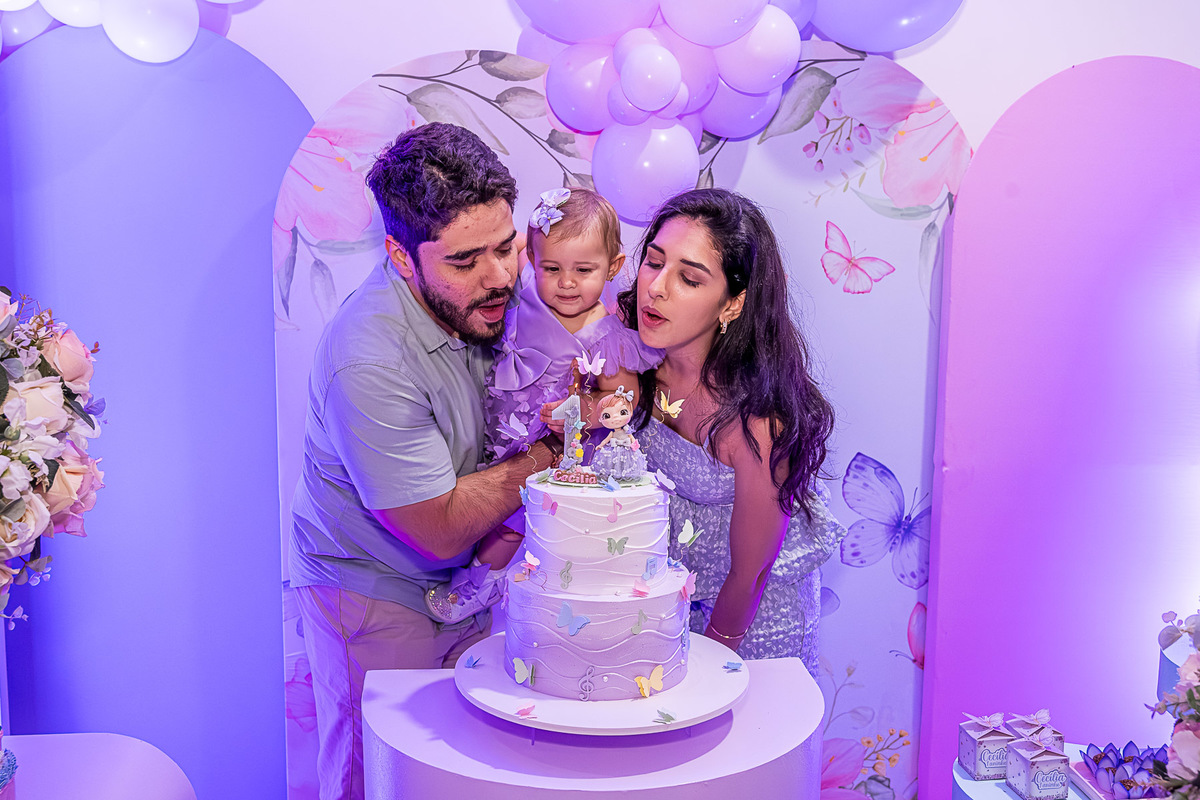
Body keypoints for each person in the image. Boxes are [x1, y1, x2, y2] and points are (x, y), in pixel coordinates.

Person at [288, 122, 560, 800]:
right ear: (401, 258)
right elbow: (436, 525)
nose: (500, 277)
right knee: (376, 780)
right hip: (373, 592)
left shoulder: (490, 297)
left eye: (507, 247)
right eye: (466, 261)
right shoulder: (368, 358)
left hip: (464, 581)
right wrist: (552, 454)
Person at [615, 188, 847, 672]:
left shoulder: (757, 419)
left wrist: (710, 665)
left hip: (750, 624)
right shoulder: (631, 364)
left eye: (689, 278)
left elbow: (750, 573)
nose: (656, 287)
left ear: (732, 304)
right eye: (654, 262)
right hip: (663, 607)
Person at [423, 186, 661, 622]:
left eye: (584, 270)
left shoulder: (606, 333)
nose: (567, 282)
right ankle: (470, 571)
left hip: (552, 443)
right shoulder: (526, 294)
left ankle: (478, 587)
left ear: (614, 267)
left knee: (511, 522)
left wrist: (583, 411)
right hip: (500, 425)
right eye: (552, 267)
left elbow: (623, 400)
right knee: (471, 503)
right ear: (531, 261)